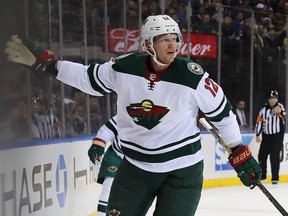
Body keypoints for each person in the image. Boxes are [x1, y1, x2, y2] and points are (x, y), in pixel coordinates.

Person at [5, 15, 262, 216]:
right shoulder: (124, 67)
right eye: (164, 39)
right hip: (135, 168)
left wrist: (238, 149)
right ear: (148, 44)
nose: (172, 44)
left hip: (182, 171)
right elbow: (88, 77)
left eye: (174, 38)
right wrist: (52, 67)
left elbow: (223, 114)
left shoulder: (193, 76)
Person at [88, 115, 123, 216]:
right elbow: (108, 129)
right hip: (117, 156)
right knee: (109, 188)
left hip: (139, 161)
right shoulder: (125, 113)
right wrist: (99, 143)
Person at [255, 90, 286, 185]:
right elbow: (259, 121)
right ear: (268, 99)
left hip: (277, 136)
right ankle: (263, 177)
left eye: (274, 98)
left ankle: (275, 178)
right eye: (271, 98)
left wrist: (280, 112)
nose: (272, 100)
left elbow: (283, 115)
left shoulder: (279, 106)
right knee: (261, 156)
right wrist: (257, 134)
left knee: (274, 156)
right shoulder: (263, 109)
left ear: (277, 99)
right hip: (266, 136)